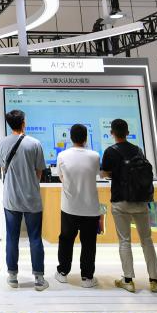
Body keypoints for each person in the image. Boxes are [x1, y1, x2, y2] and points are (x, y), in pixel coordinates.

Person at [100, 118, 157, 294]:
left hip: (120, 201)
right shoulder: (138, 150)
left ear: (112, 133)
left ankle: (128, 280)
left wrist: (115, 174)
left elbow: (104, 173)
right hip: (141, 201)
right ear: (127, 132)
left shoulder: (110, 151)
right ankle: (154, 280)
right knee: (147, 240)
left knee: (124, 240)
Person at [0, 109, 47, 291]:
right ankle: (39, 279)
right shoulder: (35, 143)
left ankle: (12, 277)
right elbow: (39, 172)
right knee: (35, 237)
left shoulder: (1, 143)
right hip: (32, 198)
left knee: (12, 237)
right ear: (23, 122)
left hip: (11, 198)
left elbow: (2, 169)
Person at [55, 123, 100, 288]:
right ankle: (87, 277)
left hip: (69, 207)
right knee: (89, 243)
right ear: (86, 138)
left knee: (66, 240)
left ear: (70, 137)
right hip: (91, 208)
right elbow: (95, 174)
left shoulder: (62, 155)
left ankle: (62, 273)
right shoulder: (95, 156)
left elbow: (61, 177)